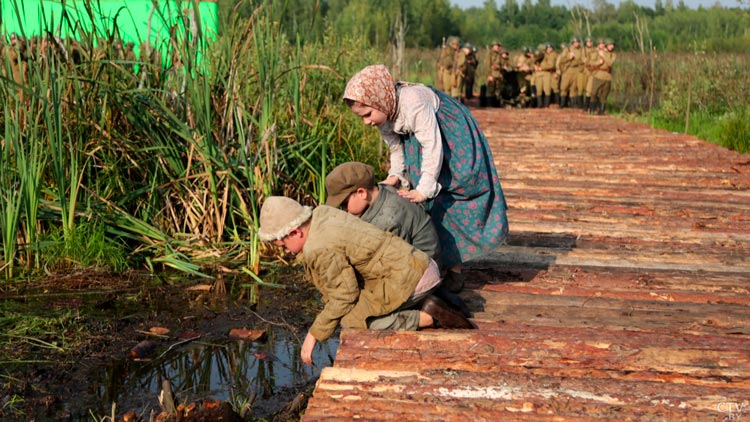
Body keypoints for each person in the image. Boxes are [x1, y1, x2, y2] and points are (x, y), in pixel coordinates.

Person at [343, 64, 509, 292]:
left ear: (379, 101)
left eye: (368, 114)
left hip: (449, 137)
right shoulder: (383, 113)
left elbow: (433, 144)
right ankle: (441, 263)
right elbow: (396, 148)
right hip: (419, 143)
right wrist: (395, 175)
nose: (367, 122)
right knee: (425, 198)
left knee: (447, 197)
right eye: (362, 117)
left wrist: (425, 187)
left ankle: (455, 270)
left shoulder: (413, 103)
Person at [258, 196, 474, 366]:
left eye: (283, 246)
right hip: (415, 263)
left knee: (353, 319)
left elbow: (345, 295)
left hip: (410, 279)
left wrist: (314, 334)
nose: (286, 252)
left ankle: (428, 317)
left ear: (296, 232)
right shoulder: (322, 214)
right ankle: (428, 299)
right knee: (359, 305)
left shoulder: (318, 248)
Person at [325, 162, 471, 316]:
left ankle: (424, 310)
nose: (344, 210)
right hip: (416, 261)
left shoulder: (388, 219)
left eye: (344, 204)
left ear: (362, 193)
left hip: (423, 272)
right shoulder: (382, 190)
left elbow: (387, 264)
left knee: (359, 311)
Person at [590, 38, 616, 116]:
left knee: (604, 95)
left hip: (607, 77)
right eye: (610, 45)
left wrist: (603, 55)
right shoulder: (598, 52)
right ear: (607, 45)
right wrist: (598, 61)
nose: (612, 47)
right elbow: (591, 61)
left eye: (613, 45)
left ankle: (601, 111)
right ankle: (592, 110)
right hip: (598, 75)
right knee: (593, 93)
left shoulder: (613, 55)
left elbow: (610, 63)